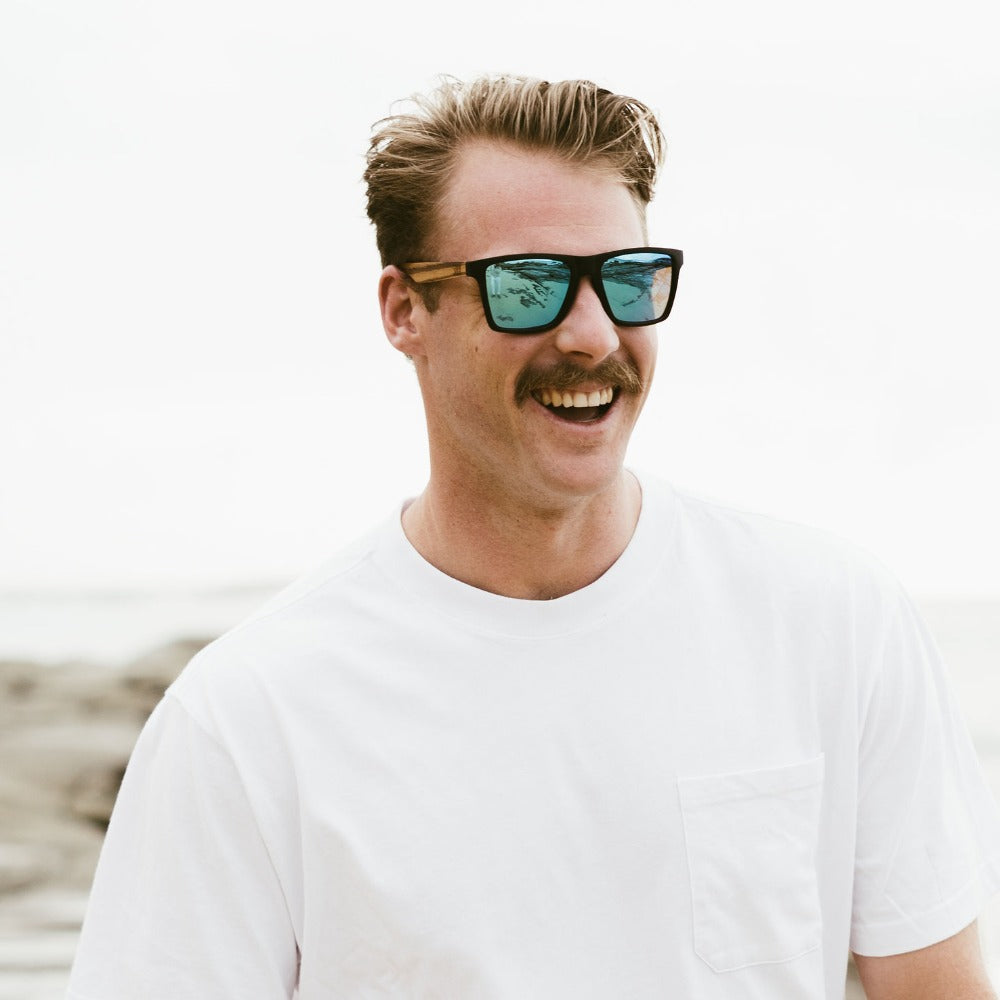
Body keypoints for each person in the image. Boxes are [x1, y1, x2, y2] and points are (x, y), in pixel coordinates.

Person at [68, 75, 1000, 1000]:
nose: (595, 334)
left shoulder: (835, 623)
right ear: (404, 310)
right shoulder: (247, 720)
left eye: (628, 280)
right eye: (529, 286)